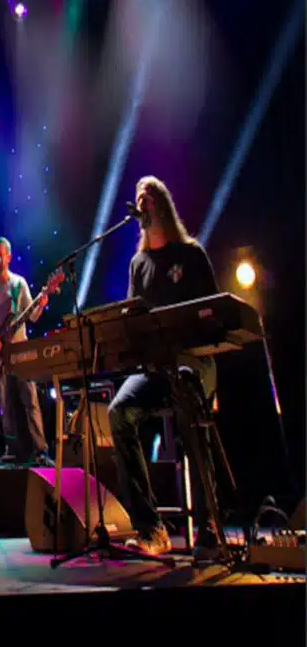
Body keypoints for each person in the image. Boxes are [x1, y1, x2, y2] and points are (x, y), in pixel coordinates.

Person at [107, 176, 222, 558]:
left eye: (149, 196)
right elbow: (132, 322)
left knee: (189, 399)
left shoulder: (191, 254)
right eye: (138, 197)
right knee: (119, 412)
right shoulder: (138, 264)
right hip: (154, 368)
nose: (142, 201)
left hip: (193, 363)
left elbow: (214, 315)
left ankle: (208, 527)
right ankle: (150, 528)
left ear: (164, 204)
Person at [0, 237, 52, 465]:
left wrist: (42, 303)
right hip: (0, 355)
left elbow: (32, 316)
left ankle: (41, 450)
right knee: (6, 405)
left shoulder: (19, 284)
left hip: (21, 352)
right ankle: (12, 449)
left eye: (1, 254)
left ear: (9, 257)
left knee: (30, 400)